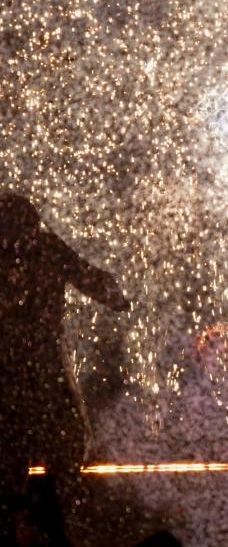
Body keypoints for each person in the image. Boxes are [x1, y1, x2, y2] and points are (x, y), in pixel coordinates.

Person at [0, 193, 130, 544]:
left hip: (12, 378)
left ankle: (25, 522)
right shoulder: (46, 248)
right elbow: (94, 280)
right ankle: (64, 527)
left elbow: (92, 280)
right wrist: (121, 298)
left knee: (12, 464)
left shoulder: (43, 249)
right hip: (42, 374)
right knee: (63, 457)